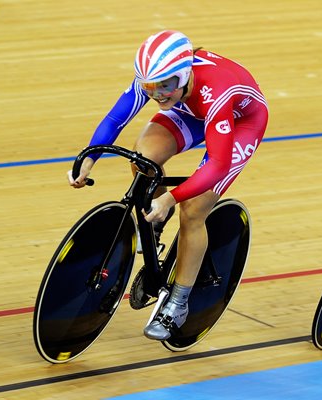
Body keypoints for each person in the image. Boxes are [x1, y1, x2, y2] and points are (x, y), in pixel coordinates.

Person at [67, 30, 268, 339]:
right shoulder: (160, 79)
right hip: (190, 110)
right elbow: (114, 120)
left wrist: (171, 197)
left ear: (184, 74)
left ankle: (178, 302)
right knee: (142, 159)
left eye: (166, 85)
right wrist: (90, 156)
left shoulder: (216, 90)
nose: (158, 94)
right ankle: (156, 225)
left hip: (239, 121)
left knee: (193, 209)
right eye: (150, 87)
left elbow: (216, 165)